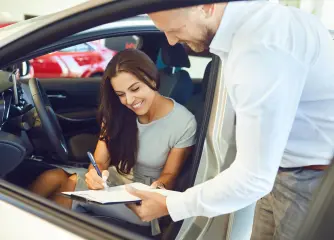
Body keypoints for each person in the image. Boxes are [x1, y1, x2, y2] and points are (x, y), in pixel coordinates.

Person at [125, 1, 334, 239]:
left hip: (311, 183)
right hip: (281, 172)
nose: (171, 42)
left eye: (175, 30)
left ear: (207, 6)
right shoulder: (247, 32)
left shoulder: (261, 48)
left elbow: (253, 177)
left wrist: (173, 206)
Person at [29, 49, 197, 226]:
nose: (129, 100)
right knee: (52, 177)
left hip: (146, 197)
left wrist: (158, 190)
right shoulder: (118, 112)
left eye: (135, 89)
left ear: (152, 79)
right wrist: (95, 174)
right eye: (121, 94)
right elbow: (100, 161)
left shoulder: (184, 122)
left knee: (70, 184)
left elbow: (170, 176)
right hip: (115, 180)